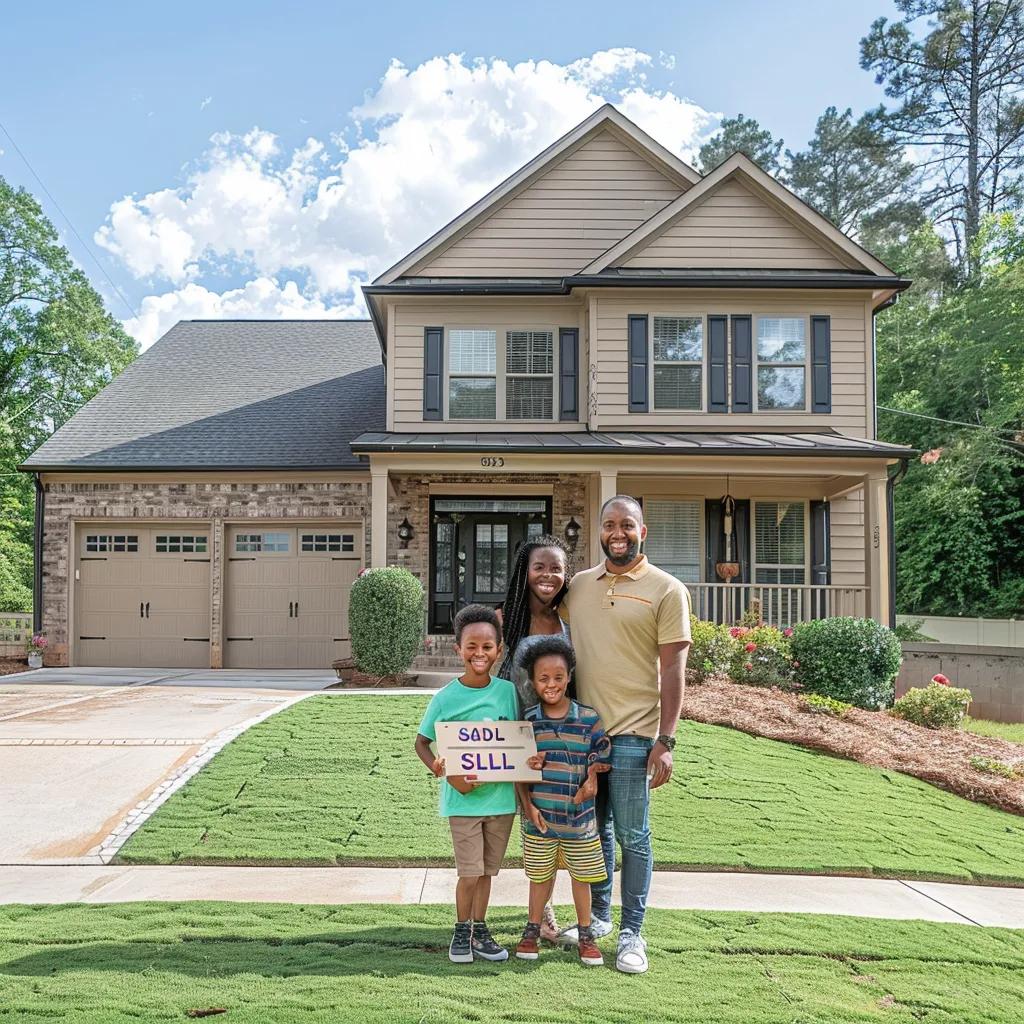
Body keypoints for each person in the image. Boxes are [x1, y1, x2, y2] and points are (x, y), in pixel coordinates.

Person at [558, 495, 691, 974]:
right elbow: (542, 612)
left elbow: (673, 669)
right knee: (593, 832)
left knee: (634, 835)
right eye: (610, 524)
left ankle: (633, 932)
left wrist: (666, 740)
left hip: (635, 733)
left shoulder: (667, 589)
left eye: (627, 525)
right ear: (600, 531)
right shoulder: (578, 587)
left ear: (642, 531)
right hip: (584, 736)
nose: (618, 533)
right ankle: (599, 918)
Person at [414, 603, 519, 965]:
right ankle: (462, 931)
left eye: (487, 646)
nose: (479, 653)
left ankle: (480, 930)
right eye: (471, 646)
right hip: (463, 802)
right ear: (458, 649)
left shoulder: (508, 693)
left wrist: (529, 761)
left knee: (487, 872)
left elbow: (517, 741)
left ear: (499, 650)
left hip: (501, 802)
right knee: (470, 872)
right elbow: (421, 743)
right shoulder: (446, 698)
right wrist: (440, 769)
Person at [513, 635, 611, 967]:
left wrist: (592, 775)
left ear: (569, 676)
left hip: (579, 821)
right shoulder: (528, 721)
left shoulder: (589, 718)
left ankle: (586, 935)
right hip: (540, 821)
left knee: (581, 878)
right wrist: (528, 805)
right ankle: (531, 931)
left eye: (558, 676)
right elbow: (518, 770)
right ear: (532, 680)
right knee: (540, 878)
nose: (551, 684)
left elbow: (603, 753)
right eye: (543, 678)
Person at [495, 535, 571, 942]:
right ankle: (481, 915)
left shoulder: (569, 620)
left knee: (549, 827)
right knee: (529, 824)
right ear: (525, 572)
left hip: (561, 737)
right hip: (518, 737)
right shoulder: (506, 619)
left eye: (556, 568)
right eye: (539, 567)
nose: (548, 575)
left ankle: (543, 912)